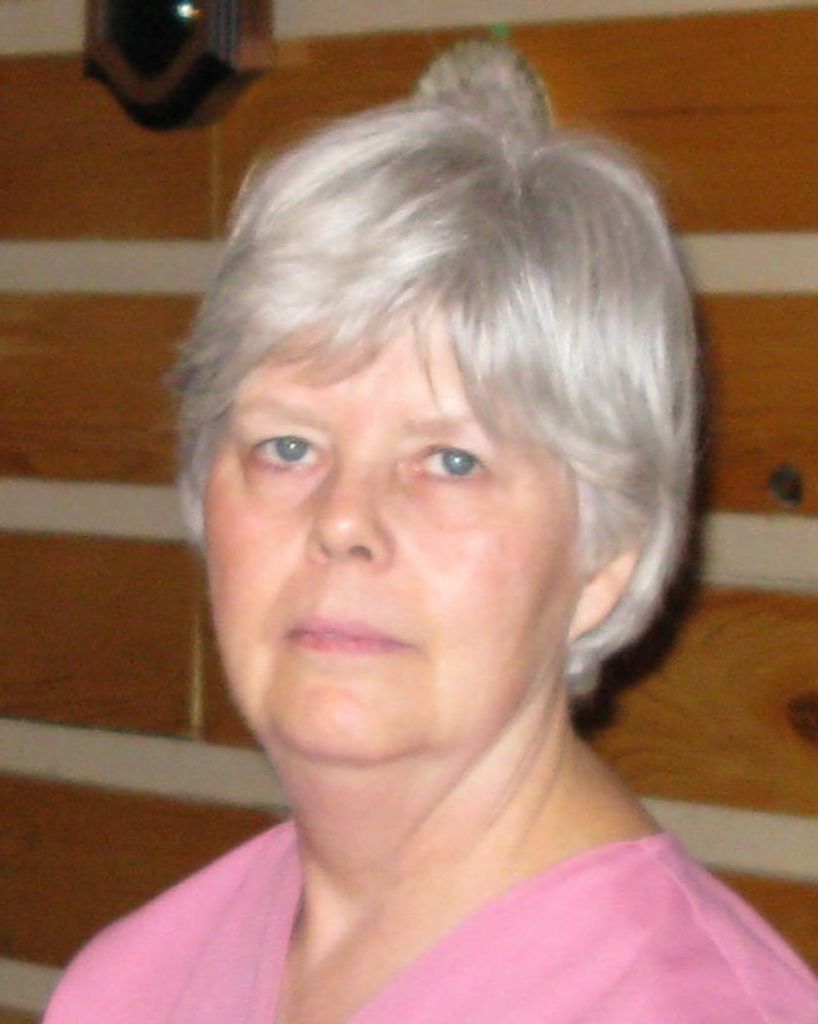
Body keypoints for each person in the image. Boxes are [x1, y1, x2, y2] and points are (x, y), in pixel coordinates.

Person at [44, 41, 818, 1023]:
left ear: (606, 551)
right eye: (288, 446)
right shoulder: (128, 986)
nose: (343, 521)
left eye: (451, 460)